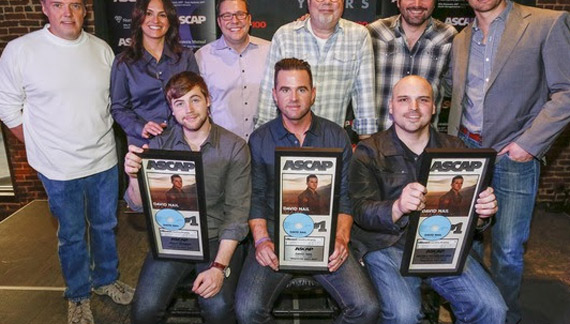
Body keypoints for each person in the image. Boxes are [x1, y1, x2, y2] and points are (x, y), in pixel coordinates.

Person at [0, 0, 133, 324]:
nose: (67, 13)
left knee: (105, 225)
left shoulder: (101, 49)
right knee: (72, 235)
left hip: (104, 159)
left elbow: (110, 103)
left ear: (85, 9)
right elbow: (8, 108)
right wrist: (44, 147)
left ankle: (106, 280)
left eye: (75, 4)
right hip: (58, 169)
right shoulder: (21, 50)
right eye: (58, 5)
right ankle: (77, 294)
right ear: (44, 8)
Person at [446, 0, 570, 323]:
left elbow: (565, 92)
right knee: (463, 241)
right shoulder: (461, 39)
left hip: (512, 156)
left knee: (508, 250)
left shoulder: (546, 24)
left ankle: (504, 317)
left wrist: (527, 145)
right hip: (466, 151)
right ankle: (472, 309)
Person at [349, 75, 506, 324]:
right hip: (387, 246)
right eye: (404, 100)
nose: (413, 108)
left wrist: (482, 213)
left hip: (443, 245)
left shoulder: (456, 149)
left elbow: (473, 219)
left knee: (491, 309)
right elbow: (359, 211)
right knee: (404, 314)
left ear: (434, 107)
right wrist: (397, 207)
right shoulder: (369, 151)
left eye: (423, 100)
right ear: (391, 107)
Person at [235, 58, 379, 324]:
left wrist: (341, 238)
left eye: (301, 89)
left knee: (365, 308)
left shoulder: (336, 136)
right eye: (285, 90)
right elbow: (254, 198)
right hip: (275, 235)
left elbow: (345, 197)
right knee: (247, 310)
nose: (293, 98)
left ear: (313, 94)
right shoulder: (260, 139)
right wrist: (261, 240)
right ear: (274, 95)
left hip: (325, 236)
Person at [124, 72, 251, 324]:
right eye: (179, 103)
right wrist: (133, 176)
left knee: (218, 307)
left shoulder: (234, 147)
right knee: (144, 310)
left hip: (217, 239)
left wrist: (218, 268)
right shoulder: (159, 145)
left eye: (195, 100)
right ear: (171, 110)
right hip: (174, 237)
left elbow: (237, 216)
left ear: (208, 100)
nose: (189, 109)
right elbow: (137, 204)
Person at [255, 0, 377, 139]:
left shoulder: (359, 37)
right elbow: (269, 98)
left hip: (333, 143)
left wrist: (367, 152)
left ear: (343, 0)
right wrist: (263, 142)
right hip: (286, 141)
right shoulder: (285, 36)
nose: (327, 1)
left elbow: (365, 102)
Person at [368, 0, 457, 131]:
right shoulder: (374, 32)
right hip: (379, 142)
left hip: (426, 144)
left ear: (435, 0)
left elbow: (456, 89)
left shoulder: (449, 37)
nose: (417, 4)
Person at [111, 0, 199, 147]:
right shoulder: (123, 62)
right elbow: (119, 108)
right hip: (143, 144)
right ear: (139, 19)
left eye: (162, 15)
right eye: (149, 13)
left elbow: (197, 98)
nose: (155, 20)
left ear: (170, 20)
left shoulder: (186, 57)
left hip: (183, 142)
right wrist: (140, 127)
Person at [196, 0, 270, 140]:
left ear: (249, 19)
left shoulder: (270, 50)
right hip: (222, 146)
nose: (234, 21)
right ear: (219, 21)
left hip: (264, 142)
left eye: (240, 14)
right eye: (227, 16)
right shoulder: (202, 57)